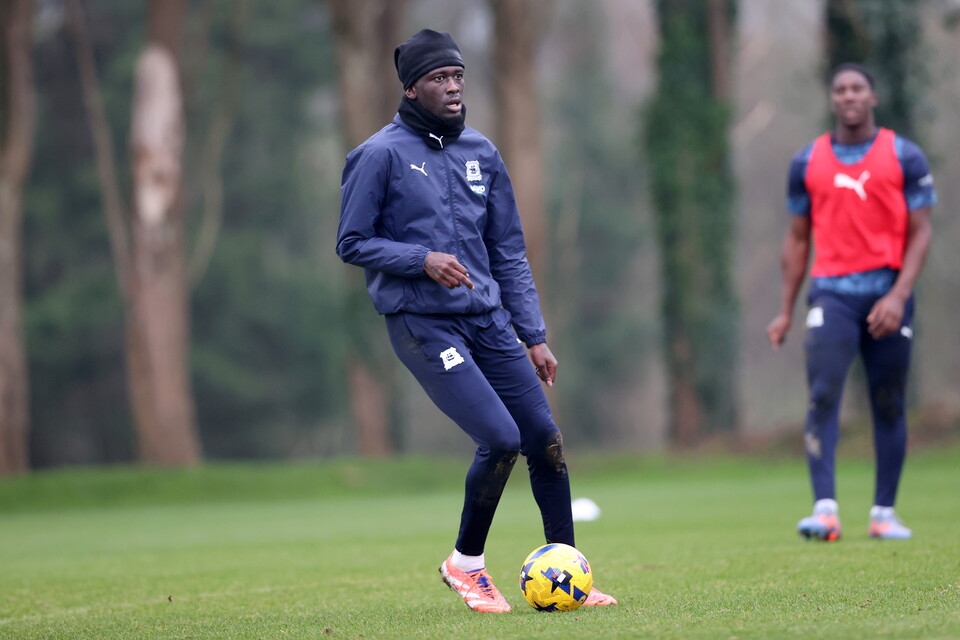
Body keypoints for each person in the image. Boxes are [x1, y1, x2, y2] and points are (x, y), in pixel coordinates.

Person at [336, 29, 618, 612]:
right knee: (500, 438)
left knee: (545, 440)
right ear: (412, 88)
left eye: (458, 76)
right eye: (439, 78)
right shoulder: (379, 155)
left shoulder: (482, 154)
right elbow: (352, 241)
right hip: (422, 322)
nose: (453, 87)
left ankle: (567, 574)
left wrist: (533, 334)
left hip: (488, 321)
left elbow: (509, 251)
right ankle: (465, 565)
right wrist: (421, 260)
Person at [766, 62, 935, 542]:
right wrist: (784, 310)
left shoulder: (905, 156)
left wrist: (899, 295)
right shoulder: (807, 162)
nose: (848, 96)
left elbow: (922, 234)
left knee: (888, 402)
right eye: (839, 89)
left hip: (888, 294)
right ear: (832, 99)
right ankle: (825, 511)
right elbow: (798, 240)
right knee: (822, 397)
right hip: (832, 294)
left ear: (873, 96)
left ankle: (884, 513)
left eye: (857, 87)